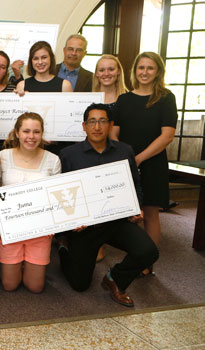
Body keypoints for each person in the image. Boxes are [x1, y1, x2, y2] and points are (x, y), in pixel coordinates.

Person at [58, 103, 159, 307]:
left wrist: (136, 206)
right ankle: (63, 251)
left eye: (103, 121)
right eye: (92, 122)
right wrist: (71, 222)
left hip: (117, 221)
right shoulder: (69, 154)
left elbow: (134, 183)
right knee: (79, 284)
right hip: (85, 228)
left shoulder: (124, 151)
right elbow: (62, 193)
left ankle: (115, 279)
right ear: (84, 126)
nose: (97, 127)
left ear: (110, 125)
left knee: (149, 251)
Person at [112, 52, 177, 276]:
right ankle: (132, 258)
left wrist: (138, 158)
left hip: (152, 163)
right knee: (127, 214)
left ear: (158, 71)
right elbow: (114, 133)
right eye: (141, 68)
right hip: (125, 163)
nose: (145, 72)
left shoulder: (166, 98)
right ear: (134, 71)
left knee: (150, 213)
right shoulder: (124, 99)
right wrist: (125, 158)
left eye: (150, 68)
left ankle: (146, 262)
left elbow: (167, 136)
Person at [0, 112, 61, 293]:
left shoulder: (53, 160)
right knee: (10, 285)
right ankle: (16, 263)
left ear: (42, 134)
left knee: (35, 287)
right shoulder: (3, 156)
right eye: (26, 131)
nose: (31, 137)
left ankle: (29, 263)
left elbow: (56, 197)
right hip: (11, 230)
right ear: (17, 133)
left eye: (36, 132)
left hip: (39, 231)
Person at [91, 54, 128, 262]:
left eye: (110, 69)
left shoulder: (126, 99)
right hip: (91, 153)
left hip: (115, 154)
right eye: (102, 69)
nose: (106, 73)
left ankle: (106, 242)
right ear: (96, 73)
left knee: (110, 200)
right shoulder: (88, 97)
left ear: (118, 72)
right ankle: (96, 243)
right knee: (94, 199)